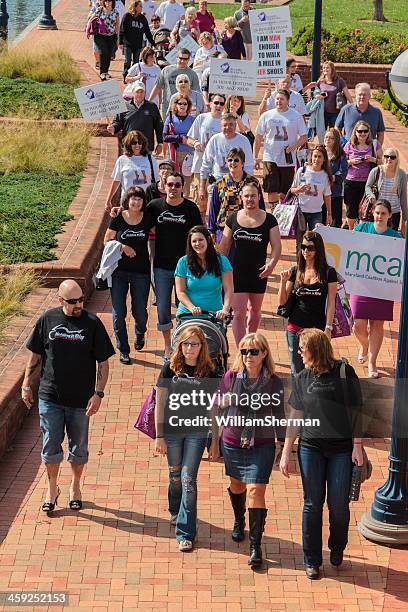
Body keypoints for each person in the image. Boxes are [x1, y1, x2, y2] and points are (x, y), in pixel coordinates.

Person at [22, 280, 115, 512]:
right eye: (73, 301)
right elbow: (35, 357)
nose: (79, 305)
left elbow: (103, 363)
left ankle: (75, 486)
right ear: (60, 300)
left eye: (81, 299)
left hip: (81, 401)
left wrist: (98, 394)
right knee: (50, 444)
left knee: (79, 447)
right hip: (50, 396)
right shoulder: (48, 319)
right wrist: (26, 384)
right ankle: (51, 488)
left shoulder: (92, 323)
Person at [280, 328, 364, 579]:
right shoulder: (303, 377)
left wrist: (357, 445)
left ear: (315, 350)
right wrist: (286, 452)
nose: (299, 353)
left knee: (338, 505)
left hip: (341, 450)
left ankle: (337, 547)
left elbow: (357, 411)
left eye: (302, 349)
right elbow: (295, 416)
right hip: (311, 448)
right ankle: (312, 560)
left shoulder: (344, 372)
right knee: (312, 504)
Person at [211, 332, 285, 566]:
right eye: (244, 351)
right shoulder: (232, 377)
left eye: (253, 351)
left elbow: (279, 414)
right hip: (233, 442)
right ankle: (238, 520)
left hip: (261, 445)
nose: (248, 356)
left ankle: (256, 545)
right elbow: (215, 406)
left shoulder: (274, 381)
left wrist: (282, 445)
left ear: (264, 353)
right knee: (237, 486)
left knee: (255, 491)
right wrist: (214, 442)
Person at [155, 326, 218, 551]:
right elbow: (160, 403)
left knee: (188, 479)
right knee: (175, 476)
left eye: (195, 344)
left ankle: (185, 532)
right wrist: (159, 435)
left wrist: (214, 441)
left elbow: (213, 410)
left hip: (196, 431)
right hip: (172, 432)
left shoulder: (209, 371)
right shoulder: (169, 369)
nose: (190, 349)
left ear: (202, 347)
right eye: (186, 344)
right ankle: (175, 510)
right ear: (180, 346)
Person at [147, 172, 202, 360]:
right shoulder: (155, 206)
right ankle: (167, 346)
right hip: (161, 266)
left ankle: (180, 343)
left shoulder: (190, 208)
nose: (173, 188)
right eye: (170, 184)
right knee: (162, 307)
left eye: (177, 185)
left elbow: (199, 235)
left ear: (182, 187)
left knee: (183, 307)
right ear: (164, 185)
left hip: (185, 268)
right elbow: (136, 219)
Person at [219, 180, 281, 346]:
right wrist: (220, 269)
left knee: (255, 311)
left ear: (259, 197)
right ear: (242, 197)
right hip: (236, 273)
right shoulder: (233, 218)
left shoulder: (269, 219)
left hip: (259, 273)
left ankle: (250, 341)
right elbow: (224, 247)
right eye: (246, 196)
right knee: (238, 313)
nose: (250, 199)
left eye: (253, 195)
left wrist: (272, 264)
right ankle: (241, 349)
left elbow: (277, 246)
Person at [350, 200, 402, 378]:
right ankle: (365, 345)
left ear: (389, 216)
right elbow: (345, 246)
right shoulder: (361, 229)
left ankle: (372, 362)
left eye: (384, 213)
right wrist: (323, 232)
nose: (380, 216)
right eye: (377, 213)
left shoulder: (396, 237)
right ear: (372, 213)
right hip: (360, 285)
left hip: (382, 288)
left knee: (377, 324)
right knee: (358, 325)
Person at [104, 186, 153, 363]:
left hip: (141, 272)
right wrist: (122, 247)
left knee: (139, 312)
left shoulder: (147, 218)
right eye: (133, 198)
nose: (136, 202)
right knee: (118, 313)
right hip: (119, 272)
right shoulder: (118, 217)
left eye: (139, 199)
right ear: (127, 200)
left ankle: (140, 333)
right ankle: (123, 349)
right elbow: (107, 239)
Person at [277, 231, 337, 375]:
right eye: (303, 247)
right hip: (295, 327)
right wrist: (283, 281)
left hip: (316, 330)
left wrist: (328, 328)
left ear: (318, 250)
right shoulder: (296, 270)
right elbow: (282, 302)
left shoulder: (329, 273)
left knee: (316, 368)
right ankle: (298, 397)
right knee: (296, 370)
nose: (306, 251)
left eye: (310, 248)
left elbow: (331, 303)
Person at [254, 89, 308, 209]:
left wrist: (293, 146)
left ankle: (283, 212)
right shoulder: (267, 115)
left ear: (288, 101)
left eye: (282, 99)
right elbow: (258, 137)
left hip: (287, 158)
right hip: (270, 156)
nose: (279, 101)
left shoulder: (296, 116)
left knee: (285, 190)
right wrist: (256, 157)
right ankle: (273, 213)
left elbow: (304, 136)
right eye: (277, 99)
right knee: (271, 188)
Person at [208, 147, 265, 244]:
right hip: (224, 230)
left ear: (242, 163)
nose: (232, 163)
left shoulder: (253, 182)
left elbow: (260, 205)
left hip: (246, 228)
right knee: (224, 258)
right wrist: (211, 230)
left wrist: (262, 226)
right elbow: (214, 207)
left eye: (236, 160)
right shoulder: (220, 183)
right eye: (230, 160)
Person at [200, 113, 254, 212]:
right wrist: (202, 187)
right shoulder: (215, 140)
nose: (228, 127)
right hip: (217, 184)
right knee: (215, 214)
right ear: (220, 126)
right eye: (225, 125)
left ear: (235, 126)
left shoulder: (243, 141)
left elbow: (249, 166)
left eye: (231, 124)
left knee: (236, 216)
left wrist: (246, 186)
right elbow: (206, 164)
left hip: (238, 185)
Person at [175, 225, 233, 318]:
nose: (197, 243)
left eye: (200, 239)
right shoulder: (183, 262)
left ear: (208, 239)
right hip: (188, 314)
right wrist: (192, 308)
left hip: (214, 316)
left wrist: (225, 309)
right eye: (194, 241)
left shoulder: (222, 261)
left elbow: (228, 289)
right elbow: (180, 292)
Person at [186, 93, 226, 212]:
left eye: (221, 103)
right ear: (210, 104)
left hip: (220, 168)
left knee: (218, 200)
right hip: (200, 164)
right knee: (200, 198)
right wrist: (195, 143)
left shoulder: (227, 121)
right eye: (216, 102)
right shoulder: (201, 118)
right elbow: (189, 138)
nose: (218, 106)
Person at [343, 120, 382, 230]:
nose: (363, 134)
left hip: (368, 182)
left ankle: (361, 231)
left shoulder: (374, 144)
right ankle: (351, 232)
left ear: (369, 132)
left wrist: (373, 159)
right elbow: (341, 162)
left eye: (365, 131)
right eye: (360, 131)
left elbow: (384, 161)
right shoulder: (349, 145)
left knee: (365, 209)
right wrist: (351, 161)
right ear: (355, 132)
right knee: (351, 209)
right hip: (351, 181)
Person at [106, 130, 159, 210]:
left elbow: (157, 181)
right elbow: (116, 181)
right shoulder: (122, 160)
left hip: (146, 201)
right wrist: (108, 200)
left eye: (139, 142)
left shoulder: (150, 159)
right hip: (128, 202)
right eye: (134, 143)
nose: (137, 145)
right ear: (129, 144)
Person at [108, 80, 163, 154]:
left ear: (145, 93)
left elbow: (159, 126)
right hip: (129, 145)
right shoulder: (124, 106)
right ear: (133, 92)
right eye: (137, 92)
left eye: (142, 92)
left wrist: (160, 143)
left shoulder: (152, 107)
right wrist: (113, 128)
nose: (139, 94)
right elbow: (118, 122)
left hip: (146, 146)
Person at [290, 144, 333, 231]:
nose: (316, 159)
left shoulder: (325, 176)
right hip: (301, 211)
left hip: (317, 213)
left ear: (324, 159)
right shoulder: (302, 171)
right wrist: (298, 189)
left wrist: (329, 214)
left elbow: (327, 195)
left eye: (319, 157)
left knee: (315, 239)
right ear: (311, 157)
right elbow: (292, 190)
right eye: (315, 156)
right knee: (300, 241)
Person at [366, 147, 407, 233]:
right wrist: (371, 196)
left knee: (390, 240)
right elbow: (368, 186)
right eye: (386, 156)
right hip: (379, 212)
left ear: (397, 159)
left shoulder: (402, 175)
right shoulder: (376, 171)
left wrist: (405, 219)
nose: (389, 159)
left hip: (394, 213)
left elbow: (403, 197)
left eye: (392, 157)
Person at [149, 48, 200, 116]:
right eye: (180, 58)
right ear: (176, 58)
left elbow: (196, 93)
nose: (182, 61)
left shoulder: (193, 74)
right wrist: (148, 102)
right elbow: (157, 87)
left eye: (185, 59)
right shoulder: (166, 70)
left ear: (189, 60)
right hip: (167, 108)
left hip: (184, 109)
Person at [163, 94, 195, 196]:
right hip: (174, 153)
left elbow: (195, 137)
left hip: (189, 154)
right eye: (180, 103)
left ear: (188, 105)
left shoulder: (192, 120)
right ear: (175, 105)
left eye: (185, 103)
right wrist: (181, 138)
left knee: (186, 183)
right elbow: (165, 137)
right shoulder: (170, 118)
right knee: (173, 180)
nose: (182, 105)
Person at [119, 0, 155, 82]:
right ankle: (126, 77)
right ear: (135, 7)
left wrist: (153, 43)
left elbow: (147, 32)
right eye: (140, 6)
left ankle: (134, 78)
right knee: (127, 61)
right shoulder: (127, 16)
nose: (142, 8)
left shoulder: (143, 18)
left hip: (138, 44)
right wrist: (120, 42)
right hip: (127, 43)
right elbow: (122, 30)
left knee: (136, 63)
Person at [314, 61, 353, 129]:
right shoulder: (320, 81)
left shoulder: (339, 81)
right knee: (322, 132)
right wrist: (318, 96)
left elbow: (347, 94)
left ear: (332, 69)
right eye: (324, 68)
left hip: (336, 112)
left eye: (327, 68)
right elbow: (315, 93)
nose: (325, 69)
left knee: (335, 132)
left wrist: (353, 106)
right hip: (323, 112)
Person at [324, 128, 348, 228]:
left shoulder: (341, 155)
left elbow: (342, 174)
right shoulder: (319, 152)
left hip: (335, 192)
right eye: (326, 137)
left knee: (336, 221)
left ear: (336, 140)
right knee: (320, 219)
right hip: (319, 193)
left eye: (331, 138)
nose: (327, 139)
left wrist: (328, 177)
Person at [93, 0, 120, 80]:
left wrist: (118, 38)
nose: (107, 2)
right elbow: (92, 19)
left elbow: (117, 26)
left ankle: (106, 72)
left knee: (109, 54)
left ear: (112, 2)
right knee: (103, 52)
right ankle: (102, 73)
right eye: (106, 1)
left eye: (109, 1)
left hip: (111, 36)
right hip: (100, 36)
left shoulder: (115, 12)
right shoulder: (99, 10)